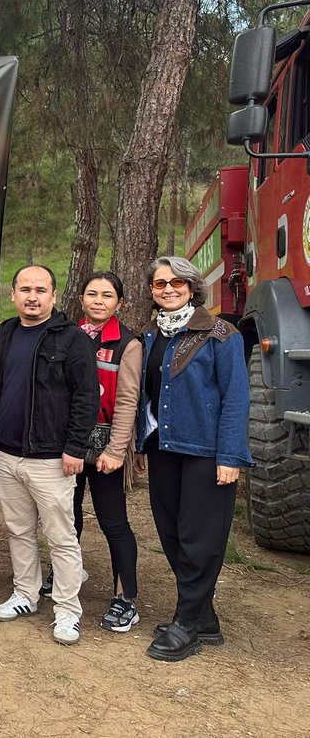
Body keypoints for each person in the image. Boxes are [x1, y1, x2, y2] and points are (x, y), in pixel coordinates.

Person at [136, 256, 251, 662]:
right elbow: (145, 394)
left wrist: (230, 455)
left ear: (191, 287)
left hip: (207, 452)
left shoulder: (220, 334)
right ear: (152, 290)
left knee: (199, 539)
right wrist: (139, 443)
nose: (168, 289)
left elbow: (236, 398)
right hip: (163, 448)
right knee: (171, 533)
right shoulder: (150, 335)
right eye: (160, 283)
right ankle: (203, 617)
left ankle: (186, 624)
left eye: (177, 282)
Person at [0, 264, 98, 646]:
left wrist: (75, 449)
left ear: (53, 295)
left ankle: (67, 611)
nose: (32, 297)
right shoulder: (5, 333)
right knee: (18, 531)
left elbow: (86, 398)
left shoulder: (72, 340)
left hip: (51, 459)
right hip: (7, 455)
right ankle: (25, 594)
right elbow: (0, 385)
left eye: (40, 290)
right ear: (13, 294)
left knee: (61, 538)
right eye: (25, 289)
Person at [39, 272, 143, 633]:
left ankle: (125, 597)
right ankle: (67, 573)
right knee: (67, 515)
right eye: (92, 294)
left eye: (107, 295)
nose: (99, 301)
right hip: (69, 442)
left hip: (105, 448)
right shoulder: (69, 335)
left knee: (113, 521)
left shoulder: (128, 343)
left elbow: (128, 401)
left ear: (119, 303)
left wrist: (116, 450)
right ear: (81, 298)